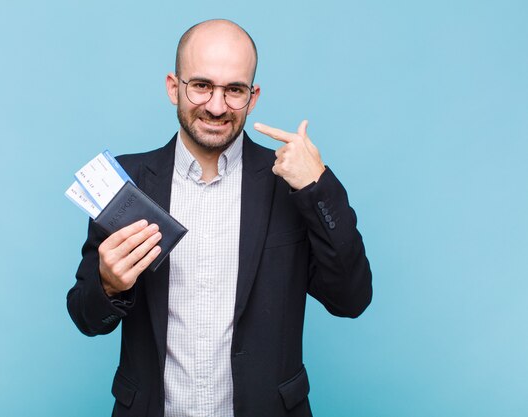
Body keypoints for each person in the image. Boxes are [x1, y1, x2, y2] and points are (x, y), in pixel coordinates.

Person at [67, 19, 372, 417]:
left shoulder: (292, 185)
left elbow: (351, 299)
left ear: (253, 95)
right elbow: (87, 318)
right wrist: (108, 284)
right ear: (174, 87)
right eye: (201, 85)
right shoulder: (128, 185)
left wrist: (317, 186)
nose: (216, 106)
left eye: (234, 90)